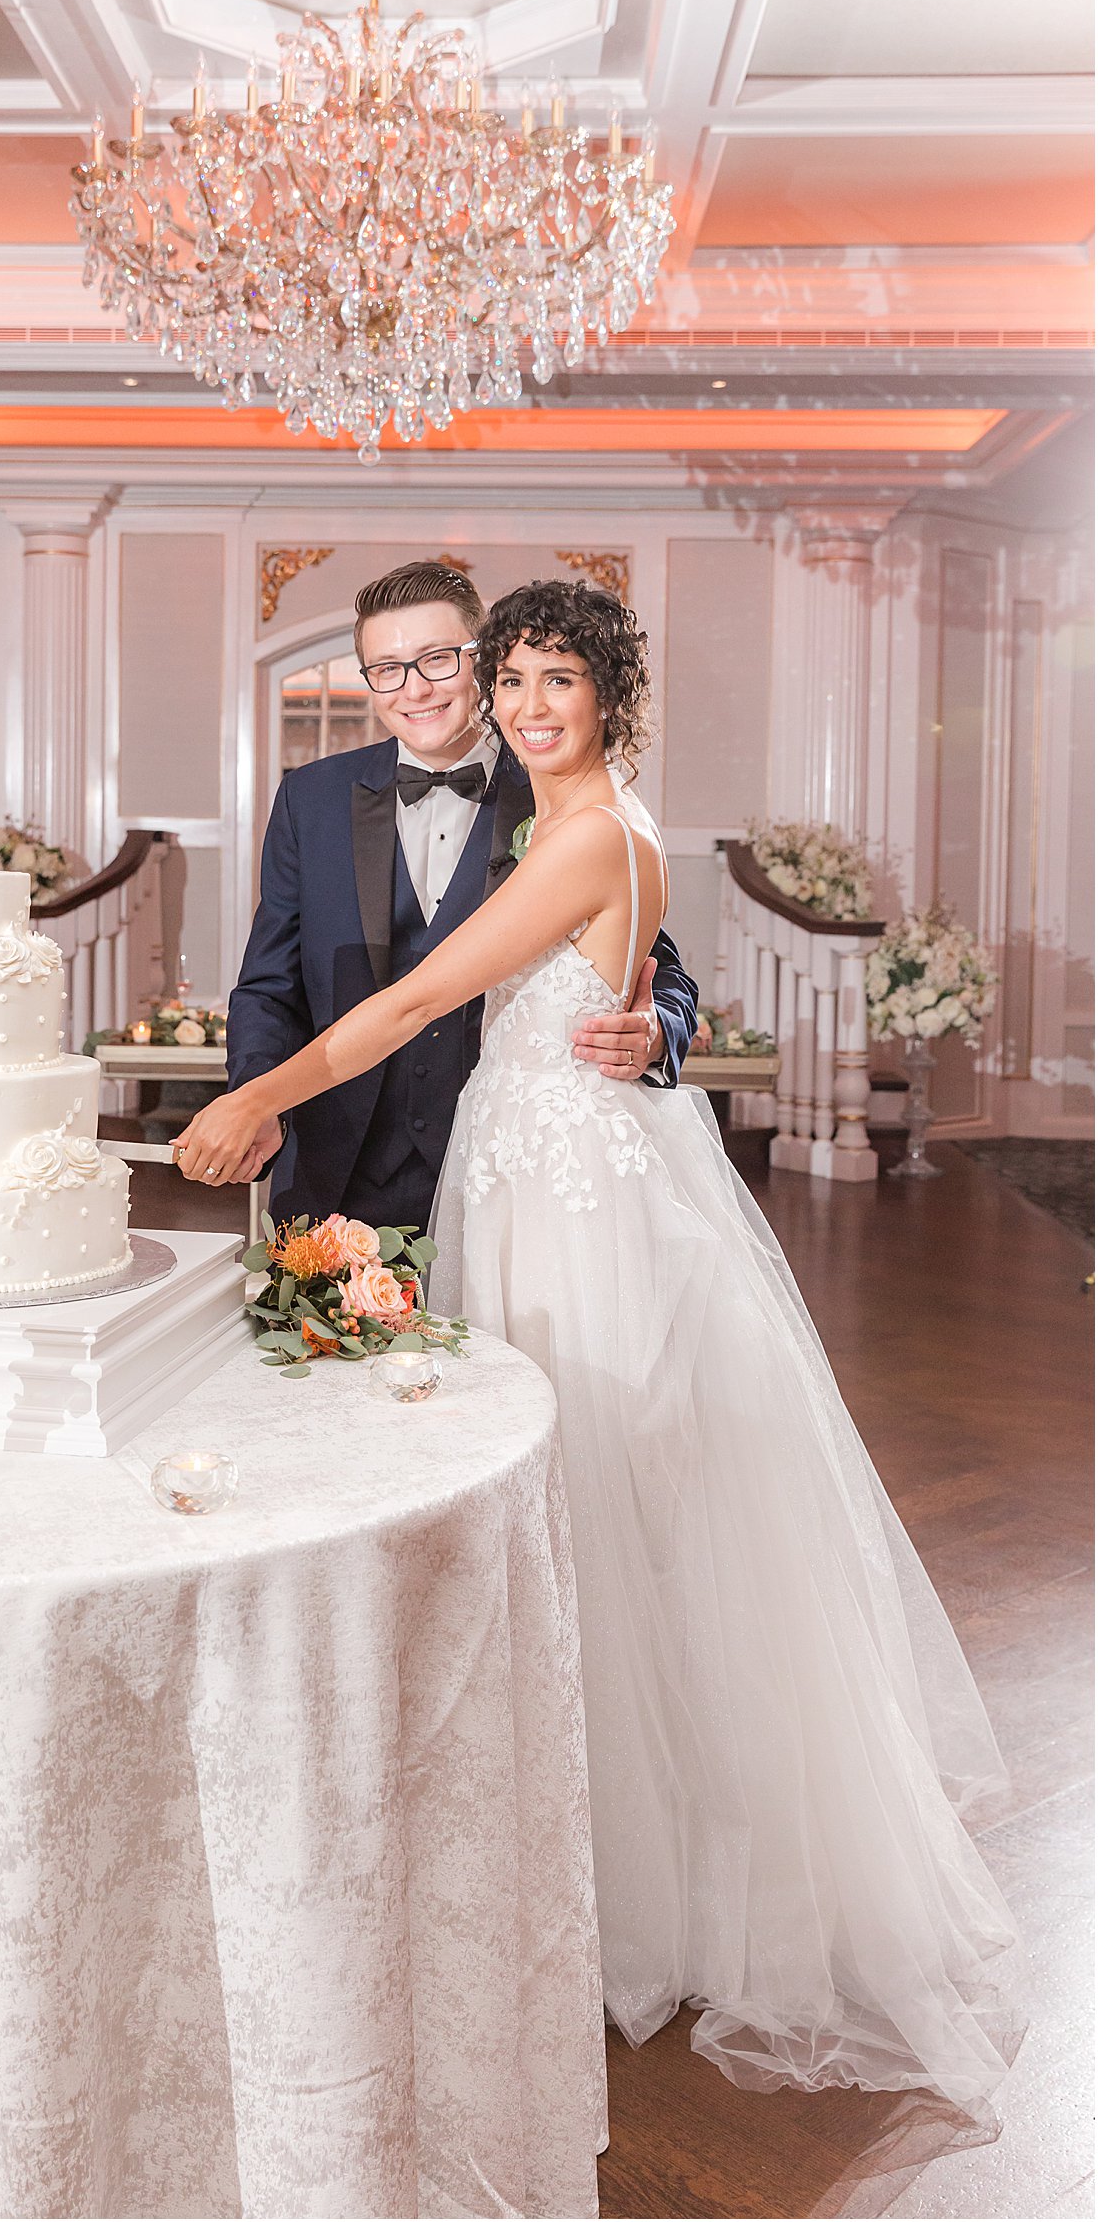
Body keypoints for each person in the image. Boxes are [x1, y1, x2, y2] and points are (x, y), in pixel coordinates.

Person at [174, 579, 1023, 2120]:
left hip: (544, 1188)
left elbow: (488, 984)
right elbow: (279, 976)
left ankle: (596, 1875)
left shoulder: (571, 819)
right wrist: (271, 1110)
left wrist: (656, 1027)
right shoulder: (341, 800)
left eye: (526, 674)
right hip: (373, 1197)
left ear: (601, 694)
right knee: (430, 1508)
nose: (496, 698)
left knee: (581, 1509)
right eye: (487, 677)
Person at [218, 559, 698, 1233]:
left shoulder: (555, 787)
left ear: (482, 659)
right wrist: (255, 1100)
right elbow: (269, 986)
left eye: (438, 660)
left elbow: (656, 960)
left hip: (503, 1172)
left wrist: (655, 1032)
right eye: (387, 668)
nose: (413, 689)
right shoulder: (310, 799)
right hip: (335, 1168)